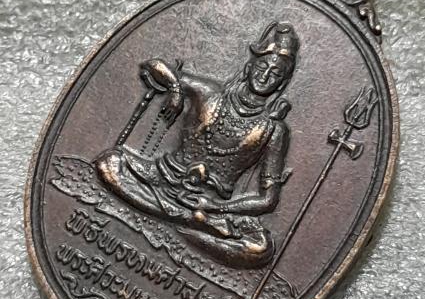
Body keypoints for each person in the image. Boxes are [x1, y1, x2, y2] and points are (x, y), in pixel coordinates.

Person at [96, 21, 299, 269]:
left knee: (260, 248)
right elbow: (152, 65)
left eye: (275, 74)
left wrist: (217, 206)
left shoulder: (273, 130)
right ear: (249, 67)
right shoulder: (209, 93)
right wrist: (175, 89)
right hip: (161, 179)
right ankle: (186, 223)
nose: (265, 76)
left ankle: (174, 217)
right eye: (262, 67)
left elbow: (268, 199)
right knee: (109, 163)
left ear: (281, 84)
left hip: (208, 203)